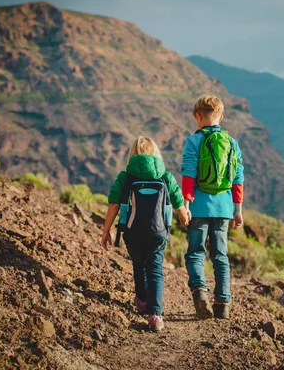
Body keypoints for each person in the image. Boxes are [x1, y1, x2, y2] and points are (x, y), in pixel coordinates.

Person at [101, 136, 190, 332]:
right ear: (155, 153)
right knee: (155, 269)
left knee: (138, 264)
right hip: (158, 233)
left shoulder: (125, 176)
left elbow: (114, 204)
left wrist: (106, 230)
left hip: (132, 233)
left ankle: (141, 301)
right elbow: (177, 200)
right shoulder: (164, 176)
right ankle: (155, 315)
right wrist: (184, 217)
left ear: (133, 154)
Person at [181, 94, 244, 320]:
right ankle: (223, 303)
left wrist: (185, 205)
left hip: (198, 208)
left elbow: (188, 174)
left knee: (196, 253)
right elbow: (238, 179)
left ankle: (200, 293)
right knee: (221, 256)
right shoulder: (232, 143)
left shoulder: (193, 141)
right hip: (224, 210)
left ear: (198, 116)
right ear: (221, 116)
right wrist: (238, 210)